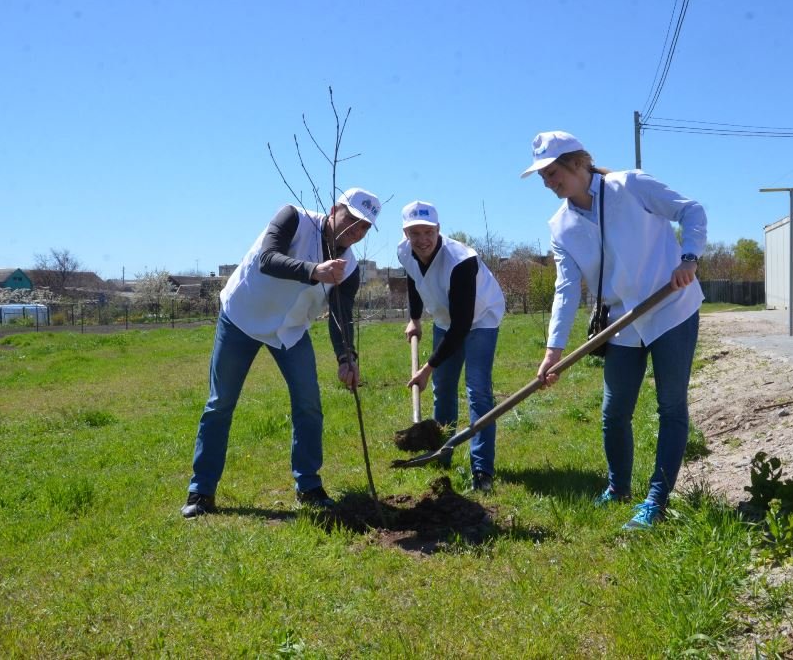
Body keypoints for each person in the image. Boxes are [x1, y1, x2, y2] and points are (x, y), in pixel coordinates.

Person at [521, 131, 707, 530]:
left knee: (670, 405)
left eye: (553, 173)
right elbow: (566, 289)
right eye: (543, 177)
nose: (549, 183)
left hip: (671, 307)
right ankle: (618, 488)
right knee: (614, 411)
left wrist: (689, 258)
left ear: (578, 163)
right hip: (621, 322)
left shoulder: (630, 186)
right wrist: (553, 350)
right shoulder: (561, 227)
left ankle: (656, 500)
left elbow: (691, 211)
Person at [180, 188, 382, 518]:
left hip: (289, 331)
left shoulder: (350, 268)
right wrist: (314, 270)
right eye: (352, 220)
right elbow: (268, 258)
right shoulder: (293, 217)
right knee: (221, 403)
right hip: (241, 318)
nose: (355, 231)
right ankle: (201, 491)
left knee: (308, 403)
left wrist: (347, 358)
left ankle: (309, 486)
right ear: (334, 209)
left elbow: (340, 315)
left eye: (364, 228)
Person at [398, 200, 506, 492]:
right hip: (445, 319)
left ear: (438, 230)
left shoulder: (461, 260)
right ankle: (442, 454)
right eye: (414, 233)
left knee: (477, 390)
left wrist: (427, 367)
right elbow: (414, 279)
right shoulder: (405, 252)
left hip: (480, 317)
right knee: (443, 389)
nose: (422, 240)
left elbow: (462, 326)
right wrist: (415, 318)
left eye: (428, 232)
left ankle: (482, 471)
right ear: (405, 233)